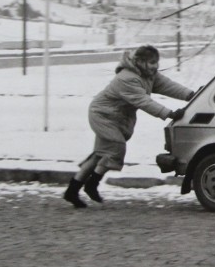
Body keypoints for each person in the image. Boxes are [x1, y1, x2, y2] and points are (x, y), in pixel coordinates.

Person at [63, 45, 194, 208]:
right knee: (116, 148)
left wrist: (191, 95)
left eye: (156, 62)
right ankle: (92, 184)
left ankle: (72, 191)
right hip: (103, 115)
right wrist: (169, 113)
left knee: (99, 155)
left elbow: (168, 86)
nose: (155, 66)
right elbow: (143, 101)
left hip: (117, 117)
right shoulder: (127, 78)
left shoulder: (148, 75)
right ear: (139, 62)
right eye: (151, 62)